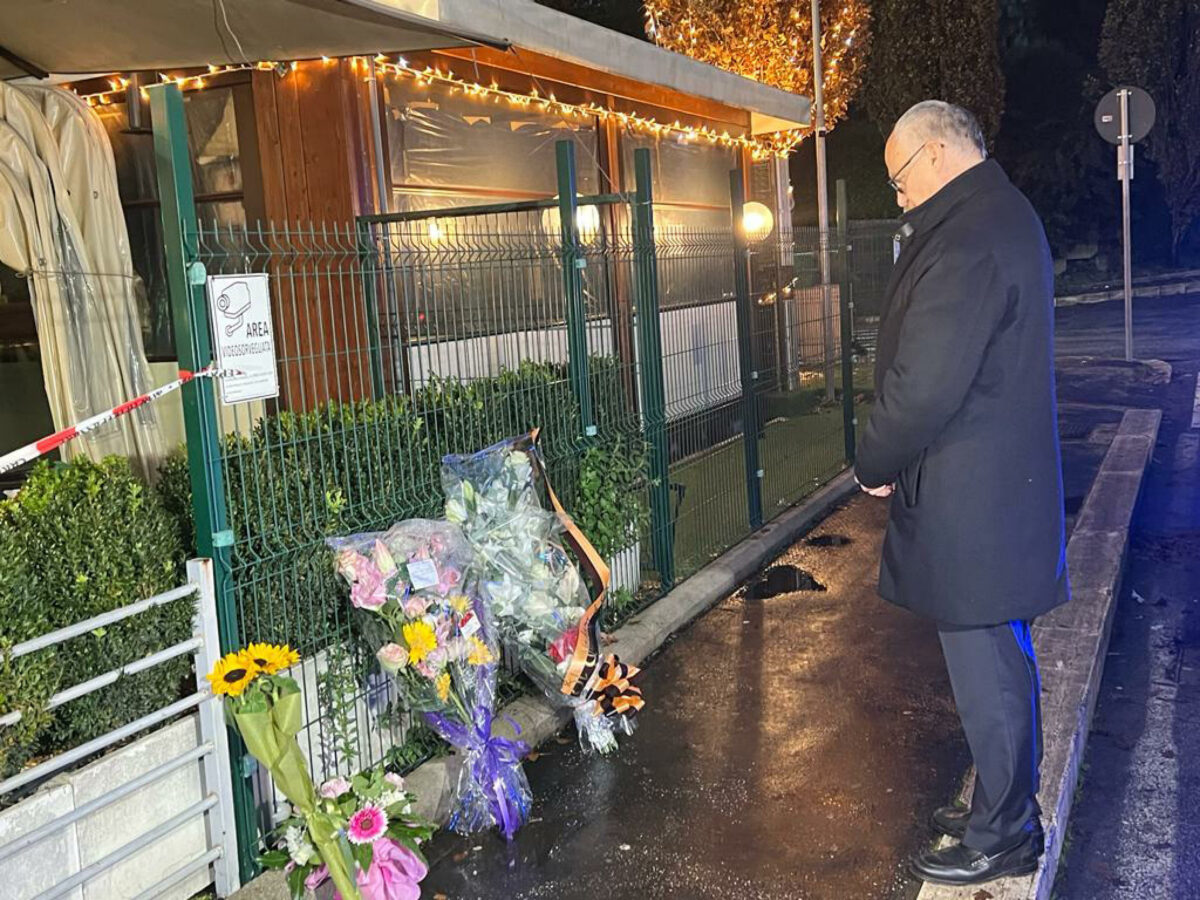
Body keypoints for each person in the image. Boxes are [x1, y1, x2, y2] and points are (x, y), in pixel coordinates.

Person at [854, 100, 1069, 886]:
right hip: (994, 490)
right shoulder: (996, 215)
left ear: (937, 154)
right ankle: (1002, 805)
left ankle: (1005, 833)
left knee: (989, 671)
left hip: (975, 497)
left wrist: (873, 459)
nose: (899, 195)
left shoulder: (971, 233)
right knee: (1000, 662)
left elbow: (924, 385)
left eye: (900, 178)